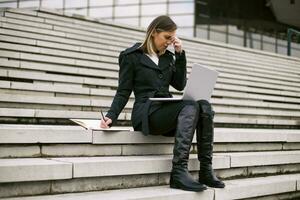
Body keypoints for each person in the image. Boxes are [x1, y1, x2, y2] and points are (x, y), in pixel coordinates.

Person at [100, 15, 225, 192]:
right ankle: (178, 173)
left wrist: (180, 55)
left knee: (204, 105)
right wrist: (111, 116)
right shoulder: (131, 56)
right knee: (190, 106)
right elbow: (123, 91)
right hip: (146, 113)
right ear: (153, 33)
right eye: (167, 37)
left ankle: (205, 170)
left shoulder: (168, 58)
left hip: (164, 111)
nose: (169, 42)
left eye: (172, 39)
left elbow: (180, 84)